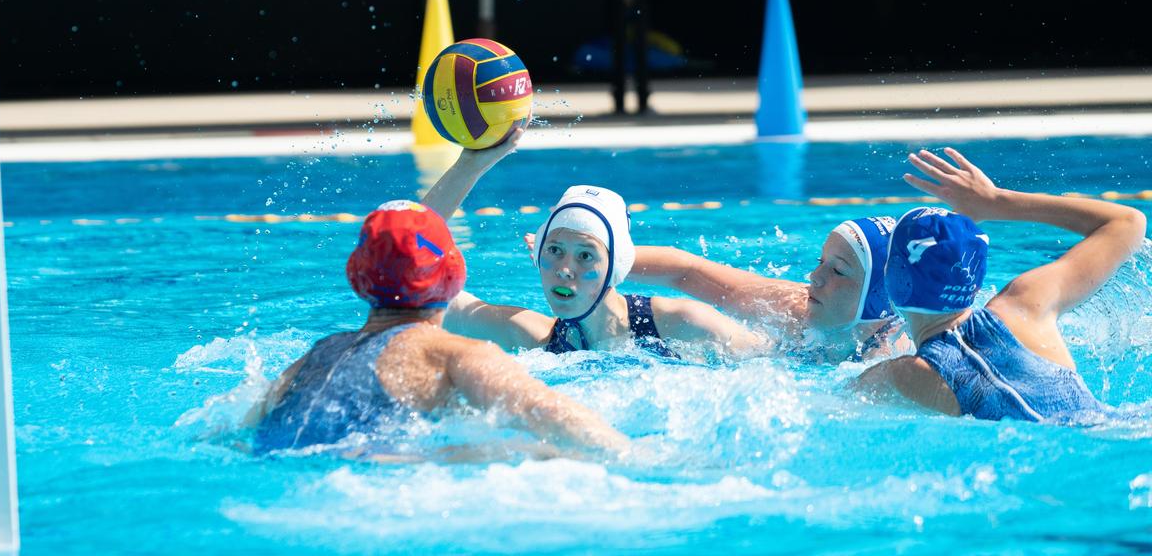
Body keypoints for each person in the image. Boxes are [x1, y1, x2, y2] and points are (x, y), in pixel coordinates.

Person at [246, 200, 630, 454]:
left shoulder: (318, 354)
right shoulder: (453, 354)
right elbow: (549, 414)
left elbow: (240, 432)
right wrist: (636, 457)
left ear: (355, 277)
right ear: (454, 276)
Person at [856, 148, 1147, 422]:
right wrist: (997, 201)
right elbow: (1128, 222)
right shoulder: (1025, 302)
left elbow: (829, 402)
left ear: (897, 280)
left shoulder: (904, 375)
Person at [422, 131, 768, 359]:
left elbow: (778, 359)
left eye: (586, 255)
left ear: (615, 267)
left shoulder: (682, 323)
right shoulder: (532, 337)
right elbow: (409, 270)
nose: (565, 270)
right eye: (554, 250)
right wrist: (470, 165)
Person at [625, 216, 908, 361]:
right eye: (820, 261)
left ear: (877, 295)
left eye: (837, 270)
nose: (814, 277)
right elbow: (688, 272)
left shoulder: (889, 360)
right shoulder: (793, 306)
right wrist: (605, 261)